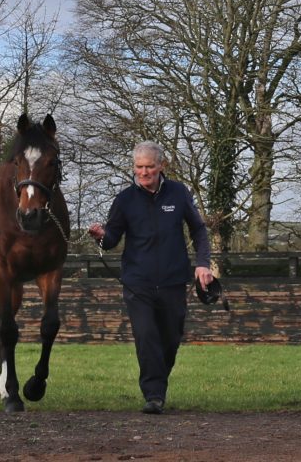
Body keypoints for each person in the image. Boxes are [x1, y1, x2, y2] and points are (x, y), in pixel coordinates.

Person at [89, 141, 213, 415]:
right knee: (146, 336)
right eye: (138, 167)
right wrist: (101, 236)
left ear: (161, 166)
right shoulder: (124, 200)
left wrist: (203, 264)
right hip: (137, 281)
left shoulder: (179, 193)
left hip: (173, 280)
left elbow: (200, 231)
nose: (143, 173)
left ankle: (158, 382)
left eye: (149, 167)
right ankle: (154, 395)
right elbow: (111, 239)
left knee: (169, 338)